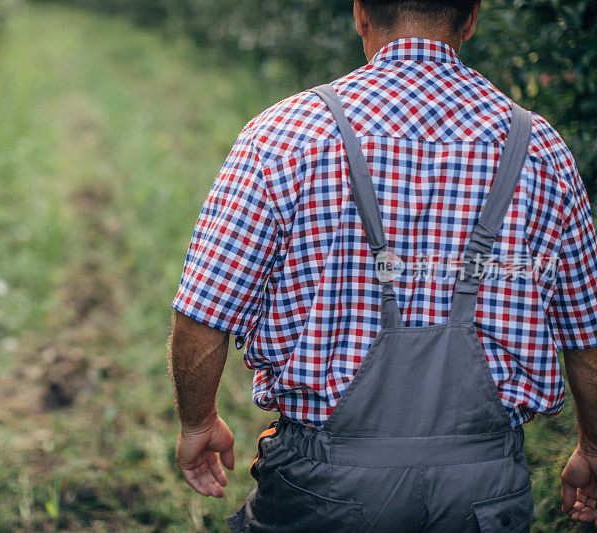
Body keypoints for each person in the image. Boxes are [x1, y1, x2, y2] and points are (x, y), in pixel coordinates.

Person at [168, 0, 597, 531]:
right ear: (471, 19)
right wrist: (595, 447)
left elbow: (204, 311)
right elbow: (585, 331)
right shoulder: (539, 149)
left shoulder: (283, 135)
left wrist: (198, 421)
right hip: (481, 491)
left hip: (324, 487)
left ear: (361, 15)